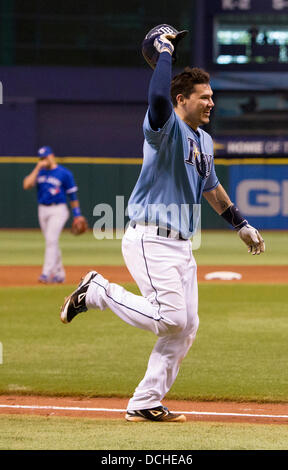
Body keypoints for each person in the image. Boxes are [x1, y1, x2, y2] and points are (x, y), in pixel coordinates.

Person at [60, 33, 265, 422]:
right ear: (181, 101)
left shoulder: (203, 139)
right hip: (150, 236)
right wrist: (165, 52)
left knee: (185, 327)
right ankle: (98, 290)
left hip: (183, 245)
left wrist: (240, 224)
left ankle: (144, 401)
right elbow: (156, 98)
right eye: (203, 96)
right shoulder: (165, 126)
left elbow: (211, 187)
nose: (211, 102)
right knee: (169, 318)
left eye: (211, 96)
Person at [23, 146, 85, 283]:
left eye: (46, 157)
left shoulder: (64, 173)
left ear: (52, 156)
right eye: (42, 158)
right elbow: (26, 185)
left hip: (59, 210)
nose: (44, 160)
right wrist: (37, 168)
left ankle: (46, 273)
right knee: (52, 242)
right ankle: (60, 274)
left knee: (51, 240)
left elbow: (72, 195)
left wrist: (77, 214)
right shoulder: (39, 172)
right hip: (42, 209)